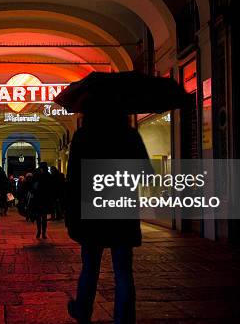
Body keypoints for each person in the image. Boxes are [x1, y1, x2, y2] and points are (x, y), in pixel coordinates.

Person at [65, 110, 153, 324]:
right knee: (123, 272)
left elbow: (74, 178)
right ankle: (124, 319)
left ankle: (83, 312)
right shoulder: (130, 135)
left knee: (90, 267)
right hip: (122, 211)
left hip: (91, 211)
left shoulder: (83, 136)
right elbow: (147, 175)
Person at [30, 162, 55, 239]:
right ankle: (43, 233)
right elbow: (52, 188)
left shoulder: (37, 176)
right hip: (46, 199)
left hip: (38, 198)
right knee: (44, 217)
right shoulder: (49, 176)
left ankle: (39, 231)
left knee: (38, 216)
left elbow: (32, 186)